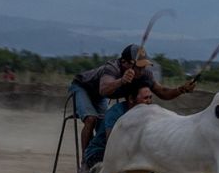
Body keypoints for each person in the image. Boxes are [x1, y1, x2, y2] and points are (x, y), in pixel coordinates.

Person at [68, 44, 196, 159]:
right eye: (139, 67)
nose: (142, 71)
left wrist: (181, 89)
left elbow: (162, 92)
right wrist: (121, 81)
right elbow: (103, 90)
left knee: (103, 122)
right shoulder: (112, 68)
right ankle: (85, 161)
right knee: (91, 119)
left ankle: (101, 155)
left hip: (101, 97)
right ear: (125, 63)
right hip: (83, 88)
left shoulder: (145, 74)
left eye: (144, 67)